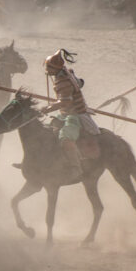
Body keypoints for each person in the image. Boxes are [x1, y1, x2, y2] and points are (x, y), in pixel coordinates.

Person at [41, 49, 100, 181]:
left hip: (75, 116)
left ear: (55, 68)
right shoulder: (68, 73)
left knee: (65, 138)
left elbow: (66, 101)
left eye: (49, 68)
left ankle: (76, 168)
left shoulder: (63, 82)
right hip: (66, 113)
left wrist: (48, 108)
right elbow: (80, 83)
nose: (47, 71)